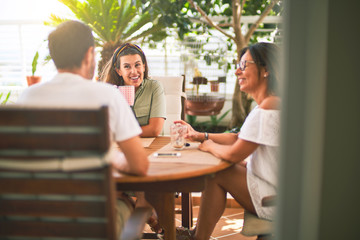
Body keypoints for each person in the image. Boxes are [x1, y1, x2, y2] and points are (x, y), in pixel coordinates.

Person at [16, 20, 149, 235]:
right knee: (133, 206)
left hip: (35, 222)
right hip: (92, 223)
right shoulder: (107, 95)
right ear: (89, 55)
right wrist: (112, 158)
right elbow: (140, 166)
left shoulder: (27, 97)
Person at [174, 42, 281, 240]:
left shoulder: (267, 110)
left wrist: (209, 146)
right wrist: (200, 135)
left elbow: (233, 154)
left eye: (244, 65)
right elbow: (237, 138)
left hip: (276, 200)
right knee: (217, 172)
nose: (237, 72)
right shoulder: (269, 105)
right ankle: (196, 236)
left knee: (217, 173)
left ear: (265, 69)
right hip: (275, 188)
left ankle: (197, 237)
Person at [100, 43, 166, 137]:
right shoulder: (111, 91)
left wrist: (121, 133)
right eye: (127, 66)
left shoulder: (154, 87)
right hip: (120, 146)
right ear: (119, 71)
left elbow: (154, 130)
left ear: (143, 66)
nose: (134, 72)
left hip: (152, 146)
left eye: (137, 65)